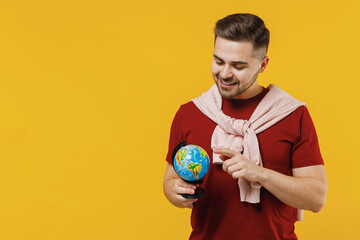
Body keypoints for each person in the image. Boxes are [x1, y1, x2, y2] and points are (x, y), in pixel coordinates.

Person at [163, 13, 327, 240]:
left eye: (238, 66)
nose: (225, 73)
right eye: (219, 61)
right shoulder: (190, 113)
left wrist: (259, 174)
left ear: (263, 65)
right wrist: (176, 193)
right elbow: (170, 181)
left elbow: (316, 198)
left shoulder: (292, 114)